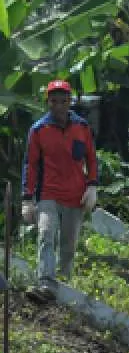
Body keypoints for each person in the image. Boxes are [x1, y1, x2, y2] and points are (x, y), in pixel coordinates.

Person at [21, 80, 98, 303]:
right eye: (54, 101)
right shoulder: (38, 130)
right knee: (46, 235)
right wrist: (27, 198)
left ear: (69, 101)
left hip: (75, 196)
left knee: (69, 245)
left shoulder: (81, 127)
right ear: (48, 103)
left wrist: (92, 185)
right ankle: (45, 283)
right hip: (48, 194)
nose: (59, 106)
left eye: (63, 101)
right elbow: (31, 164)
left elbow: (91, 158)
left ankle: (63, 285)